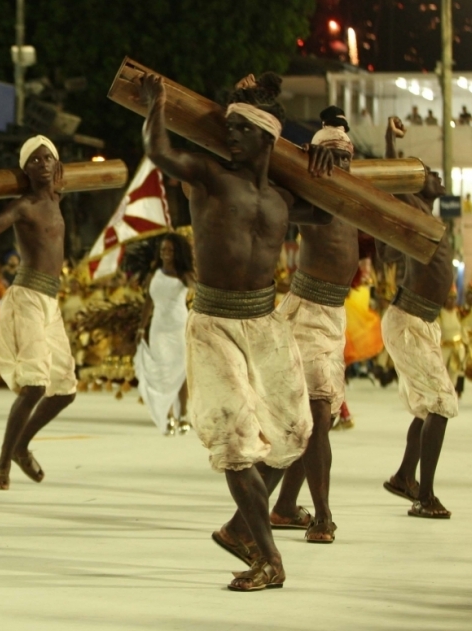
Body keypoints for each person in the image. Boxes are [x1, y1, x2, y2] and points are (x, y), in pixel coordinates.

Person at [140, 71, 318, 591]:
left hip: (266, 322)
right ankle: (269, 558)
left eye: (240, 128)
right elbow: (159, 150)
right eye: (228, 127)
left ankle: (240, 528)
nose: (229, 134)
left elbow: (333, 209)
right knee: (236, 440)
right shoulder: (209, 175)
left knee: (293, 435)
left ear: (267, 138)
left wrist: (331, 159)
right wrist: (157, 103)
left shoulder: (285, 199)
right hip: (213, 322)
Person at [268, 106, 360, 545]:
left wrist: (393, 143)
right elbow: (270, 170)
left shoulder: (359, 195)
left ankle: (285, 508)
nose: (338, 163)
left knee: (309, 421)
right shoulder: (308, 193)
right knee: (317, 417)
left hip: (334, 316)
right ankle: (322, 515)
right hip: (306, 312)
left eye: (345, 156)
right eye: (331, 155)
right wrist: (307, 166)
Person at [0, 136, 78, 491]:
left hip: (50, 302)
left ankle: (21, 446)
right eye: (34, 161)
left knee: (65, 391)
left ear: (57, 164)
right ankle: (2, 464)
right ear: (25, 169)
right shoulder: (25, 206)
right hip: (27, 298)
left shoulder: (57, 198)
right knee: (35, 385)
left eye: (47, 158)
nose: (43, 164)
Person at [379, 115, 458, 520]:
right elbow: (393, 183)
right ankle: (424, 496)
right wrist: (389, 142)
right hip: (409, 320)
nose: (437, 175)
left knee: (428, 408)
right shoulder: (411, 208)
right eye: (428, 174)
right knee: (441, 405)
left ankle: (404, 477)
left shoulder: (426, 213)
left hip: (420, 321)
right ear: (415, 185)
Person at [133, 233, 195, 436]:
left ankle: (184, 414)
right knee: (163, 370)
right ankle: (168, 414)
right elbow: (148, 303)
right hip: (159, 327)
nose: (166, 254)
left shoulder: (183, 274)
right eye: (163, 250)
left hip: (178, 326)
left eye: (170, 250)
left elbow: (197, 287)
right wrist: (141, 328)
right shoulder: (154, 274)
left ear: (177, 252)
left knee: (180, 370)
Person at [439, 290, 467, 396]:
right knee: (442, 371)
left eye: (454, 299)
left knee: (455, 370)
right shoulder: (440, 314)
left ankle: (453, 392)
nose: (452, 301)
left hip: (457, 347)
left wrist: (466, 343)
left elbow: (462, 328)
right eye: (450, 299)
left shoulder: (458, 313)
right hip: (444, 347)